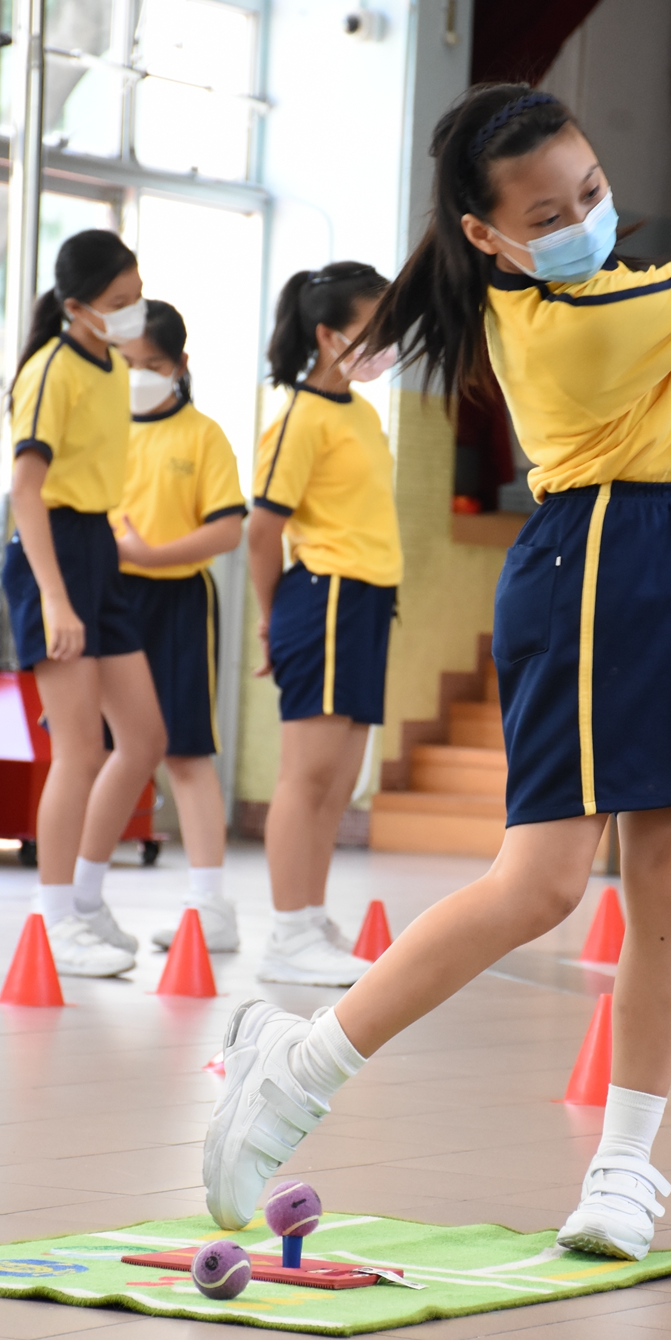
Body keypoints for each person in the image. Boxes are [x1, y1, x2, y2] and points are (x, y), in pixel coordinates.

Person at [203, 34, 671, 1258]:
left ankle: (621, 1169)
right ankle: (297, 1068)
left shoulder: (594, 288)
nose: (583, 218)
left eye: (590, 190)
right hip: (598, 563)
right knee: (543, 884)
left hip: (659, 549)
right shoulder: (578, 319)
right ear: (486, 236)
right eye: (547, 213)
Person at [4, 230, 167, 977]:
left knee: (144, 739)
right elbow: (25, 491)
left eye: (137, 297)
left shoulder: (113, 366)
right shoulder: (50, 370)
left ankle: (88, 900)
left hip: (98, 549)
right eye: (118, 302)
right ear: (76, 307)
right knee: (79, 750)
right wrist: (54, 598)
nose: (133, 312)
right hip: (54, 554)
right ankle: (54, 919)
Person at [247, 261, 402, 987]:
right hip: (325, 597)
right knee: (306, 777)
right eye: (374, 328)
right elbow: (261, 531)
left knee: (340, 781)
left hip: (367, 600)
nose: (387, 341)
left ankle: (309, 920)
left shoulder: (361, 414)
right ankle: (287, 933)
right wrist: (270, 619)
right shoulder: (299, 420)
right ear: (327, 335)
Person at [110, 300, 247, 951]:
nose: (139, 375)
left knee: (186, 752)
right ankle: (76, 899)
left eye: (153, 364)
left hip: (179, 604)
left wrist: (151, 556)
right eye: (127, 362)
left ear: (180, 365)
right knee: (98, 752)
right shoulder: (104, 430)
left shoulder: (204, 436)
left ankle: (210, 906)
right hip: (109, 601)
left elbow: (227, 528)